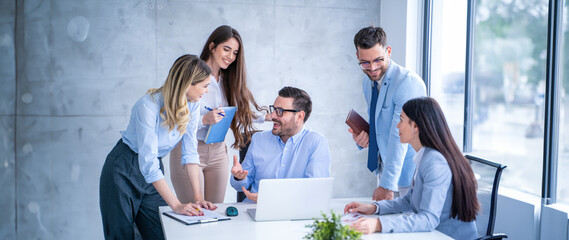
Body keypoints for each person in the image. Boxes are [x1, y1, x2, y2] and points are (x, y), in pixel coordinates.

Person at [99, 54, 217, 240]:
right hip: (122, 169)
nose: (207, 91)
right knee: (121, 235)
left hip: (153, 173)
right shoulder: (146, 106)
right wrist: (176, 205)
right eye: (204, 86)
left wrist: (198, 197)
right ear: (187, 84)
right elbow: (148, 163)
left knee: (161, 234)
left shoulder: (193, 105)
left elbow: (190, 153)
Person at [344, 97, 479, 239]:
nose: (397, 126)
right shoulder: (426, 155)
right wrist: (374, 208)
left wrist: (378, 224)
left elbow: (428, 219)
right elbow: (409, 200)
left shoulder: (435, 163)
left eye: (401, 120)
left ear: (416, 127)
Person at [169, 25, 269, 204]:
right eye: (226, 49)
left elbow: (240, 110)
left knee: (216, 209)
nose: (231, 57)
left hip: (218, 153)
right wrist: (204, 120)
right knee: (195, 211)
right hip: (190, 149)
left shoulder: (229, 79)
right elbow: (175, 119)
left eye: (235, 53)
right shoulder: (190, 75)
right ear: (212, 47)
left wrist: (264, 117)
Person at [349, 26, 426, 201]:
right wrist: (364, 138)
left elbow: (398, 135)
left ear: (388, 51)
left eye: (378, 60)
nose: (372, 68)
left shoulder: (407, 83)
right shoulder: (368, 82)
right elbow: (378, 123)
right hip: (385, 168)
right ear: (357, 57)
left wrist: (387, 185)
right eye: (365, 63)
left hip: (408, 175)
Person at [230, 86, 331, 202]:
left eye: (280, 112)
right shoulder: (258, 139)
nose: (272, 116)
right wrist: (239, 177)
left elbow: (315, 191)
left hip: (294, 212)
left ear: (299, 116)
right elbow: (239, 186)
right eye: (274, 109)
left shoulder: (316, 142)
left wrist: (269, 198)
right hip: (254, 208)